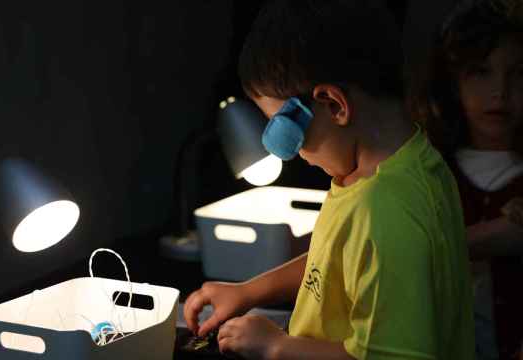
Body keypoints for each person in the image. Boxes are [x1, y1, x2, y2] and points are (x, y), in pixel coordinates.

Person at [183, 0, 475, 359]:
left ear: (334, 104)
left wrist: (277, 346)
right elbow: (335, 263)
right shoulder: (401, 167)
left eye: (283, 135)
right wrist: (248, 292)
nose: (294, 154)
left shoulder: (387, 210)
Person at [409, 0, 523, 358]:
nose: (500, 92)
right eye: (481, 72)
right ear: (453, 83)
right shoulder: (428, 174)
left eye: (517, 74)